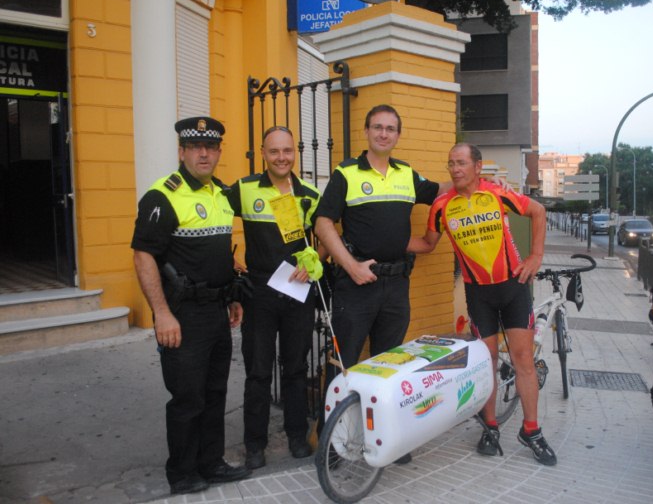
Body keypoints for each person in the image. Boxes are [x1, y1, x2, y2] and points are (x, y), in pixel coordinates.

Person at [408, 143, 555, 466]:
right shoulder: (441, 206)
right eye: (450, 163)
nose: (455, 169)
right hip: (479, 295)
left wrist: (535, 256)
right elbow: (428, 244)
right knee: (486, 363)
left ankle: (531, 430)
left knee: (523, 360)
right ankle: (490, 427)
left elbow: (538, 211)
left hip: (513, 288)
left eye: (461, 163)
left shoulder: (498, 193)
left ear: (477, 166)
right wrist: (387, 241)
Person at [313, 105, 442, 463]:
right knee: (343, 365)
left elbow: (442, 190)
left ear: (398, 135)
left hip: (396, 285)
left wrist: (479, 181)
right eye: (378, 127)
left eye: (390, 128)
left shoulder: (406, 174)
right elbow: (322, 223)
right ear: (367, 131)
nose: (384, 133)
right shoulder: (346, 173)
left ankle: (386, 439)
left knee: (389, 366)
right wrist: (351, 266)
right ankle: (332, 446)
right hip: (356, 287)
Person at [131, 116, 250, 494]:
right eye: (195, 147)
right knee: (187, 397)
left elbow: (216, 251)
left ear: (218, 152)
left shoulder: (221, 193)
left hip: (216, 310)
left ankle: (211, 463)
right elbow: (143, 256)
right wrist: (162, 313)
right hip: (182, 314)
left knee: (214, 393)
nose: (203, 154)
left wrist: (231, 296)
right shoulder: (162, 196)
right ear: (181, 151)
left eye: (210, 147)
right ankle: (182, 474)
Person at [227, 126, 324, 469]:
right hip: (259, 296)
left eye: (287, 151)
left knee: (296, 368)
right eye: (274, 151)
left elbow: (327, 236)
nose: (281, 158)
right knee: (258, 371)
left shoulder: (309, 194)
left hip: (297, 294)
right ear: (263, 154)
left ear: (294, 152)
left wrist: (314, 262)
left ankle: (297, 436)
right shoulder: (244, 189)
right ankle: (255, 444)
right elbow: (216, 222)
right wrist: (228, 262)